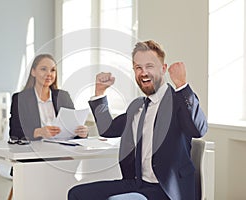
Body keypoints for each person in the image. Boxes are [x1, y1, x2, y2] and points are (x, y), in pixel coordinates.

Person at [68, 40, 208, 200]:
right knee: (77, 194)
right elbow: (108, 129)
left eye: (150, 66)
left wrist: (182, 85)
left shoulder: (178, 101)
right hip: (138, 184)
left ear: (163, 69)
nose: (143, 72)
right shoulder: (137, 106)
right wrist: (99, 93)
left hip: (167, 191)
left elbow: (198, 130)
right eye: (138, 68)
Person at [9, 54, 88, 141]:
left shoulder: (63, 96)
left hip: (62, 150)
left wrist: (82, 133)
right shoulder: (20, 99)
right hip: (34, 151)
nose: (49, 74)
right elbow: (14, 133)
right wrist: (39, 132)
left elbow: (73, 129)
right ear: (33, 72)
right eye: (43, 69)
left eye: (53, 70)